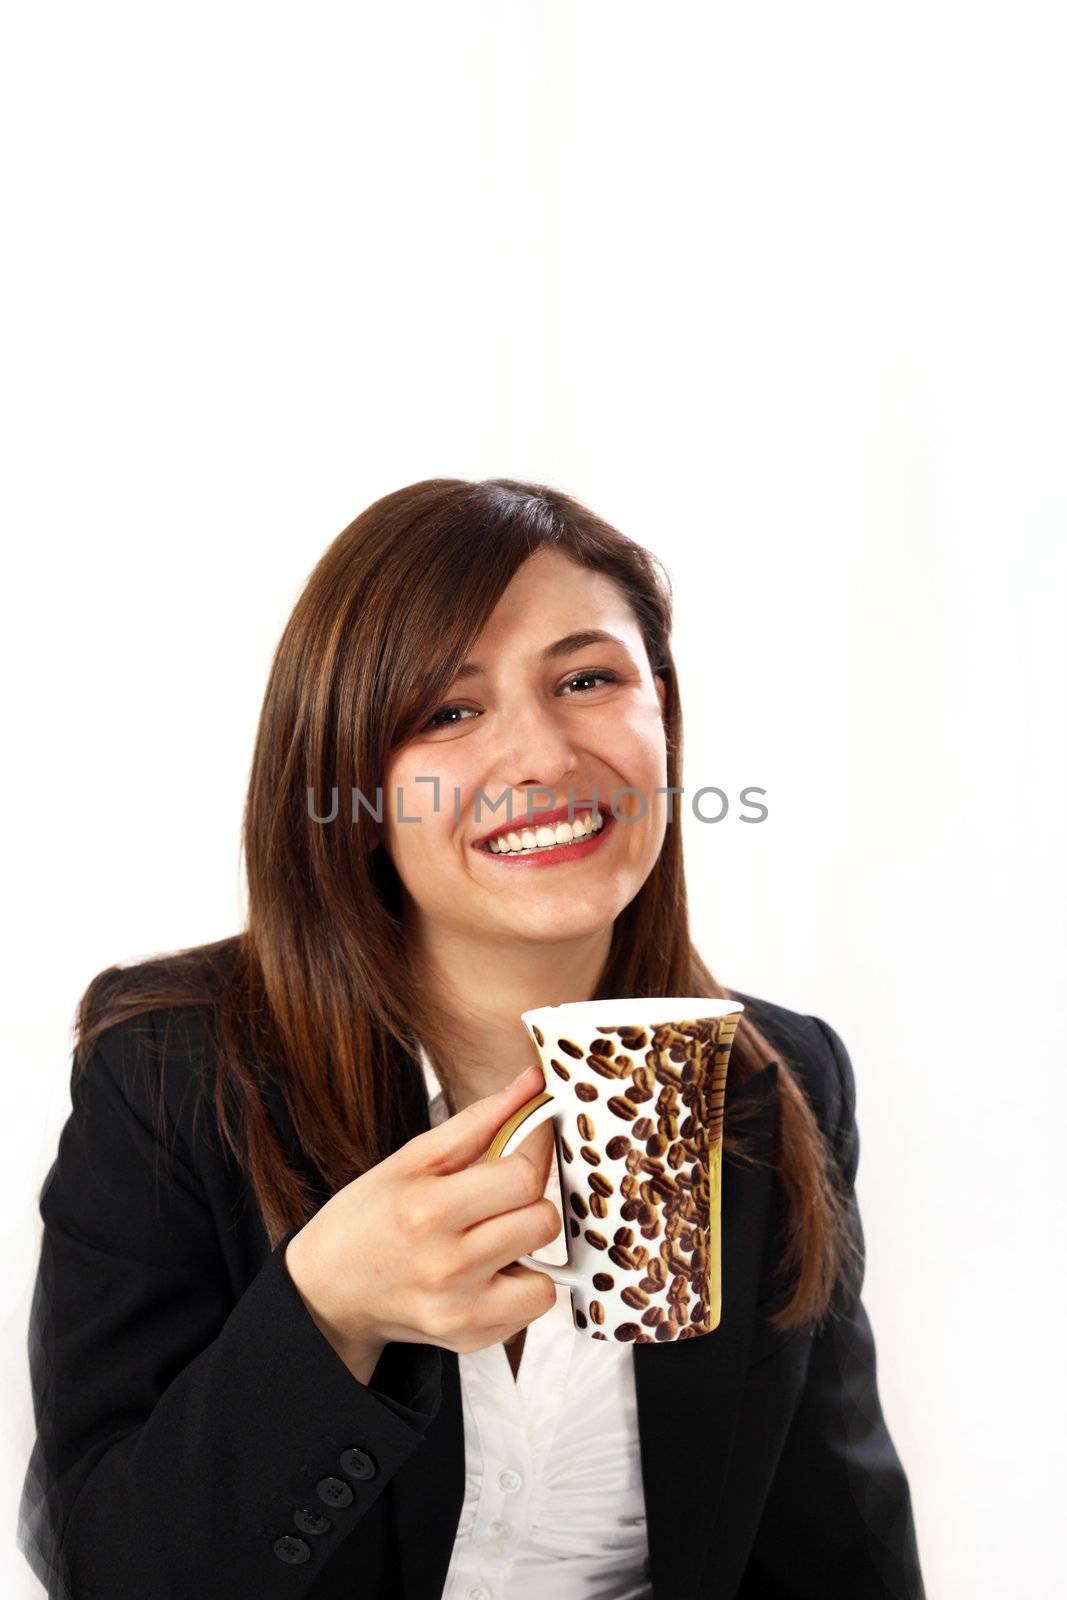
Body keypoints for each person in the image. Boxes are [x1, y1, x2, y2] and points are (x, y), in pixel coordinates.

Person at [19, 478, 926, 1599]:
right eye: (448, 711)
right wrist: (326, 1309)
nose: (540, 758)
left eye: (586, 680)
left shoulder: (765, 1081)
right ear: (349, 774)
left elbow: (834, 1553)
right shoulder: (172, 1067)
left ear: (664, 716)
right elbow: (112, 1571)